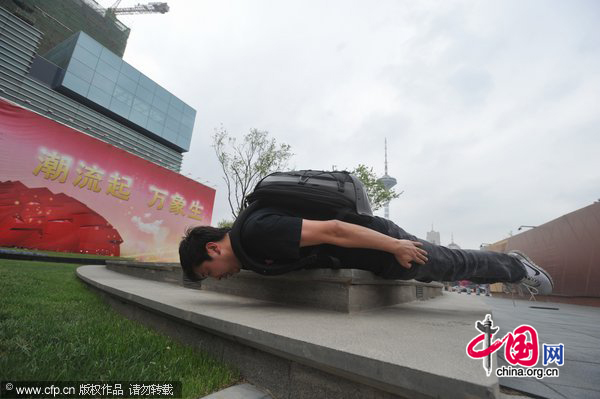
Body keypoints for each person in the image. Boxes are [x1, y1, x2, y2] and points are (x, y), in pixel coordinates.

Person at [178, 206, 554, 295]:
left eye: (210, 272)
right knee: (447, 269)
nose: (219, 277)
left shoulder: (257, 232)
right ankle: (512, 269)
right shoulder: (250, 250)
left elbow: (335, 230)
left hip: (380, 245)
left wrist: (395, 246)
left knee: (449, 262)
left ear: (213, 248)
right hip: (373, 256)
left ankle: (514, 265)